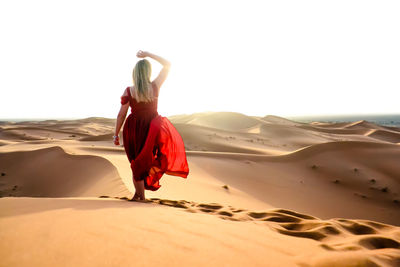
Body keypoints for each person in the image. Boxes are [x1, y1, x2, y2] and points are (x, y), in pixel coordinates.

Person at [113, 50, 189, 201]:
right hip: (150, 128)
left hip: (133, 128)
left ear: (135, 73)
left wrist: (116, 134)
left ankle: (141, 197)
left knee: (136, 161)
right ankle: (138, 195)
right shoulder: (155, 86)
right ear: (148, 72)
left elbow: (121, 114)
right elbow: (168, 64)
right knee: (140, 162)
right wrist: (149, 55)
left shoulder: (130, 90)